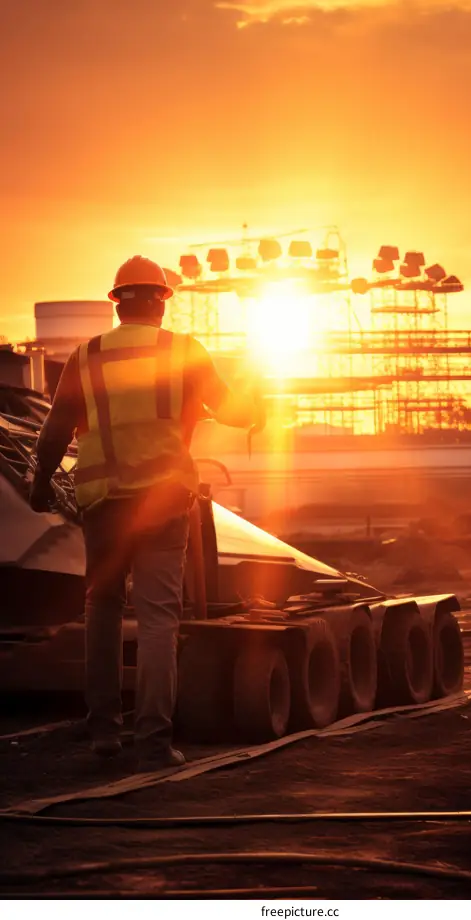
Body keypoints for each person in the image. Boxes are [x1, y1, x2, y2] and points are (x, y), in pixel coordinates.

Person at [29, 256, 264, 771]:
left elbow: (55, 429)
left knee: (103, 609)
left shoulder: (87, 355)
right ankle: (155, 742)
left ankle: (104, 735)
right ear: (161, 301)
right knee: (158, 618)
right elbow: (236, 412)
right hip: (162, 501)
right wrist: (259, 399)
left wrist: (41, 483)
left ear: (117, 302)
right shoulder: (185, 352)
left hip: (103, 503)